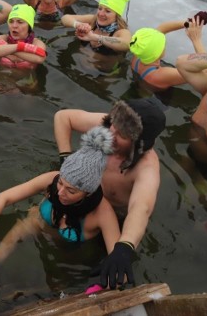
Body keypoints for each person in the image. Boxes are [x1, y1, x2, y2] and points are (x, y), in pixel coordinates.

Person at [0, 126, 120, 276]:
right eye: (60, 182)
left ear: (88, 192)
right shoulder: (51, 179)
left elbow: (119, 263)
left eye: (71, 191)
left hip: (68, 255)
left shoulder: (103, 214)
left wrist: (107, 279)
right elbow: (3, 198)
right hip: (36, 223)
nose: (60, 192)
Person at [53, 98, 166, 288]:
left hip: (110, 221)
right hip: (77, 197)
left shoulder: (146, 168)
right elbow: (63, 118)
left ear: (139, 142)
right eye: (112, 126)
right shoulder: (108, 127)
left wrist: (125, 247)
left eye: (121, 135)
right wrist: (66, 159)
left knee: (94, 271)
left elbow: (141, 208)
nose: (110, 135)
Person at [129, 13, 207, 92]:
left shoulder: (139, 52)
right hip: (160, 98)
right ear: (157, 53)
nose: (165, 44)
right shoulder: (162, 75)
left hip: (141, 84)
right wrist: (196, 40)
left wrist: (187, 23)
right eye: (163, 44)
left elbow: (161, 29)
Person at [62, 0, 131, 54]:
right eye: (100, 8)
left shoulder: (121, 31)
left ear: (117, 15)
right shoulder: (93, 20)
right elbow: (65, 18)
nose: (101, 14)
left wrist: (93, 37)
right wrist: (78, 25)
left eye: (107, 11)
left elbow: (126, 45)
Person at [0, 4, 46, 69]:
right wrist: (20, 47)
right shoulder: (3, 38)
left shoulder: (36, 42)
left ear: (29, 25)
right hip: (1, 77)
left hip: (28, 78)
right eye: (11, 21)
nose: (14, 26)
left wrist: (7, 50)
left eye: (20, 22)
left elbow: (40, 59)